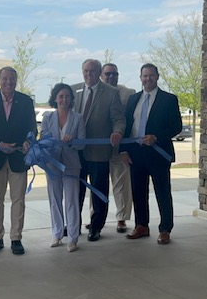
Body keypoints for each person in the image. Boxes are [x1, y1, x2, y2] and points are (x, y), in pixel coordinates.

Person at [119, 63, 182, 245]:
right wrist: (123, 150)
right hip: (136, 153)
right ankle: (141, 226)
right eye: (145, 76)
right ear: (140, 78)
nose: (148, 79)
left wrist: (157, 137)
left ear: (157, 77)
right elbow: (127, 126)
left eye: (151, 75)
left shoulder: (168, 99)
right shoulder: (133, 99)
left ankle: (165, 229)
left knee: (162, 192)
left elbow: (176, 126)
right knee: (138, 192)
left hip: (158, 153)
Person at [0, 66, 36, 255]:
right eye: (5, 78)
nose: (8, 82)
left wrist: (28, 140)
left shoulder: (26, 101)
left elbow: (32, 128)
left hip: (19, 157)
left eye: (12, 78)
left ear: (16, 80)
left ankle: (16, 238)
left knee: (18, 199)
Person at [71, 59, 125, 242]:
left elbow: (118, 118)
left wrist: (117, 131)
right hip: (75, 151)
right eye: (86, 70)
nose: (89, 74)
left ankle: (96, 227)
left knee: (98, 190)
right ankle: (73, 225)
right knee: (75, 190)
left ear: (99, 72)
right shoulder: (73, 90)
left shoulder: (111, 93)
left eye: (93, 71)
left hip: (99, 151)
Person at [40, 83, 85, 252]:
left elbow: (82, 143)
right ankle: (57, 234)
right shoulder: (47, 117)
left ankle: (73, 238)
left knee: (72, 201)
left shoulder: (78, 118)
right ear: (55, 98)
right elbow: (43, 138)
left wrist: (72, 141)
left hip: (72, 165)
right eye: (61, 96)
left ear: (71, 99)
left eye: (67, 96)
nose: (64, 99)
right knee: (54, 199)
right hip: (52, 164)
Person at [101, 63, 136, 233]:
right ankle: (96, 216)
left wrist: (125, 147)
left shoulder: (128, 94)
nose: (111, 77)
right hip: (98, 147)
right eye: (107, 74)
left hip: (120, 146)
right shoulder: (95, 91)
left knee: (121, 184)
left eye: (114, 74)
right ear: (101, 75)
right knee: (98, 183)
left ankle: (121, 218)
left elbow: (129, 121)